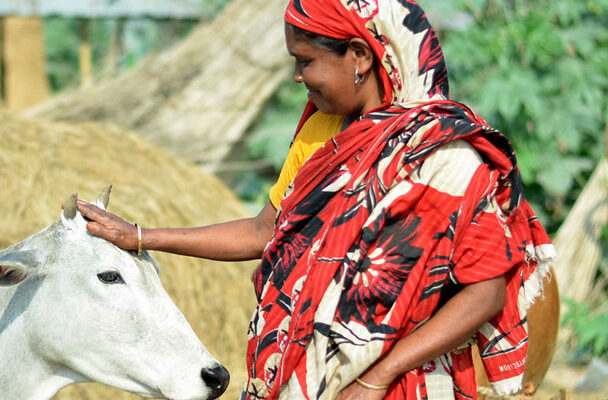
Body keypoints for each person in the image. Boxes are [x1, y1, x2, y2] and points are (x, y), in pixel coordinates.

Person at [76, 1, 555, 399]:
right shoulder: (320, 132)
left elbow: (485, 293)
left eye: (305, 61)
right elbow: (265, 232)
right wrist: (140, 237)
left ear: (358, 56)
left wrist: (377, 376)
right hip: (299, 374)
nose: (297, 77)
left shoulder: (444, 155)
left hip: (402, 384)